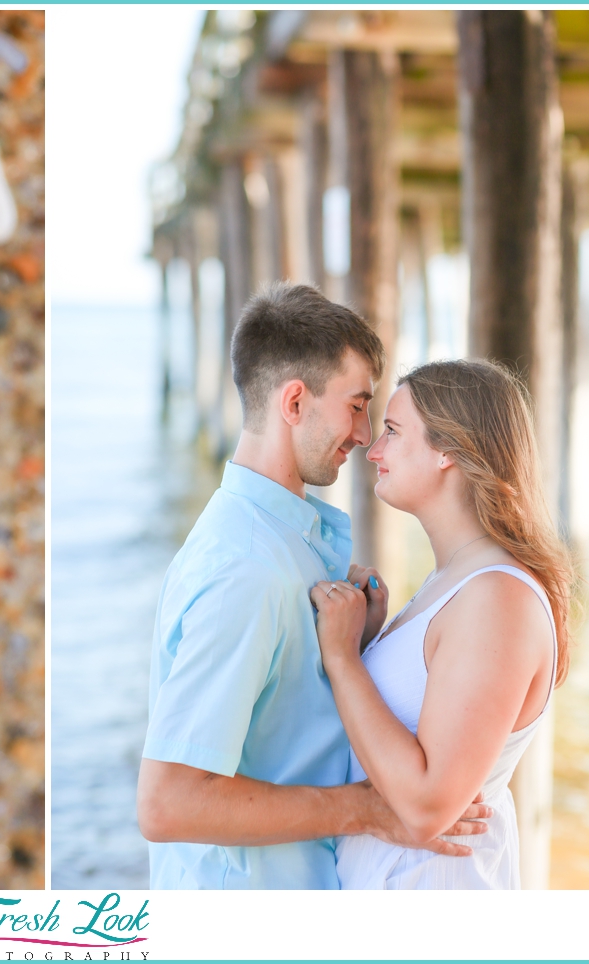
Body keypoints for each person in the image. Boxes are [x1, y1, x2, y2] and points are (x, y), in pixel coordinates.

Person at [136, 282, 490, 890]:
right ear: (295, 402)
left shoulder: (287, 544)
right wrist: (367, 810)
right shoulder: (246, 568)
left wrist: (359, 645)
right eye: (357, 406)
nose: (364, 436)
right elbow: (168, 803)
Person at [312, 359, 573, 889]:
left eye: (392, 430)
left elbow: (427, 805)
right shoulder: (456, 581)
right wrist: (369, 640)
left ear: (448, 450)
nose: (374, 448)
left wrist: (342, 660)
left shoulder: (499, 597)